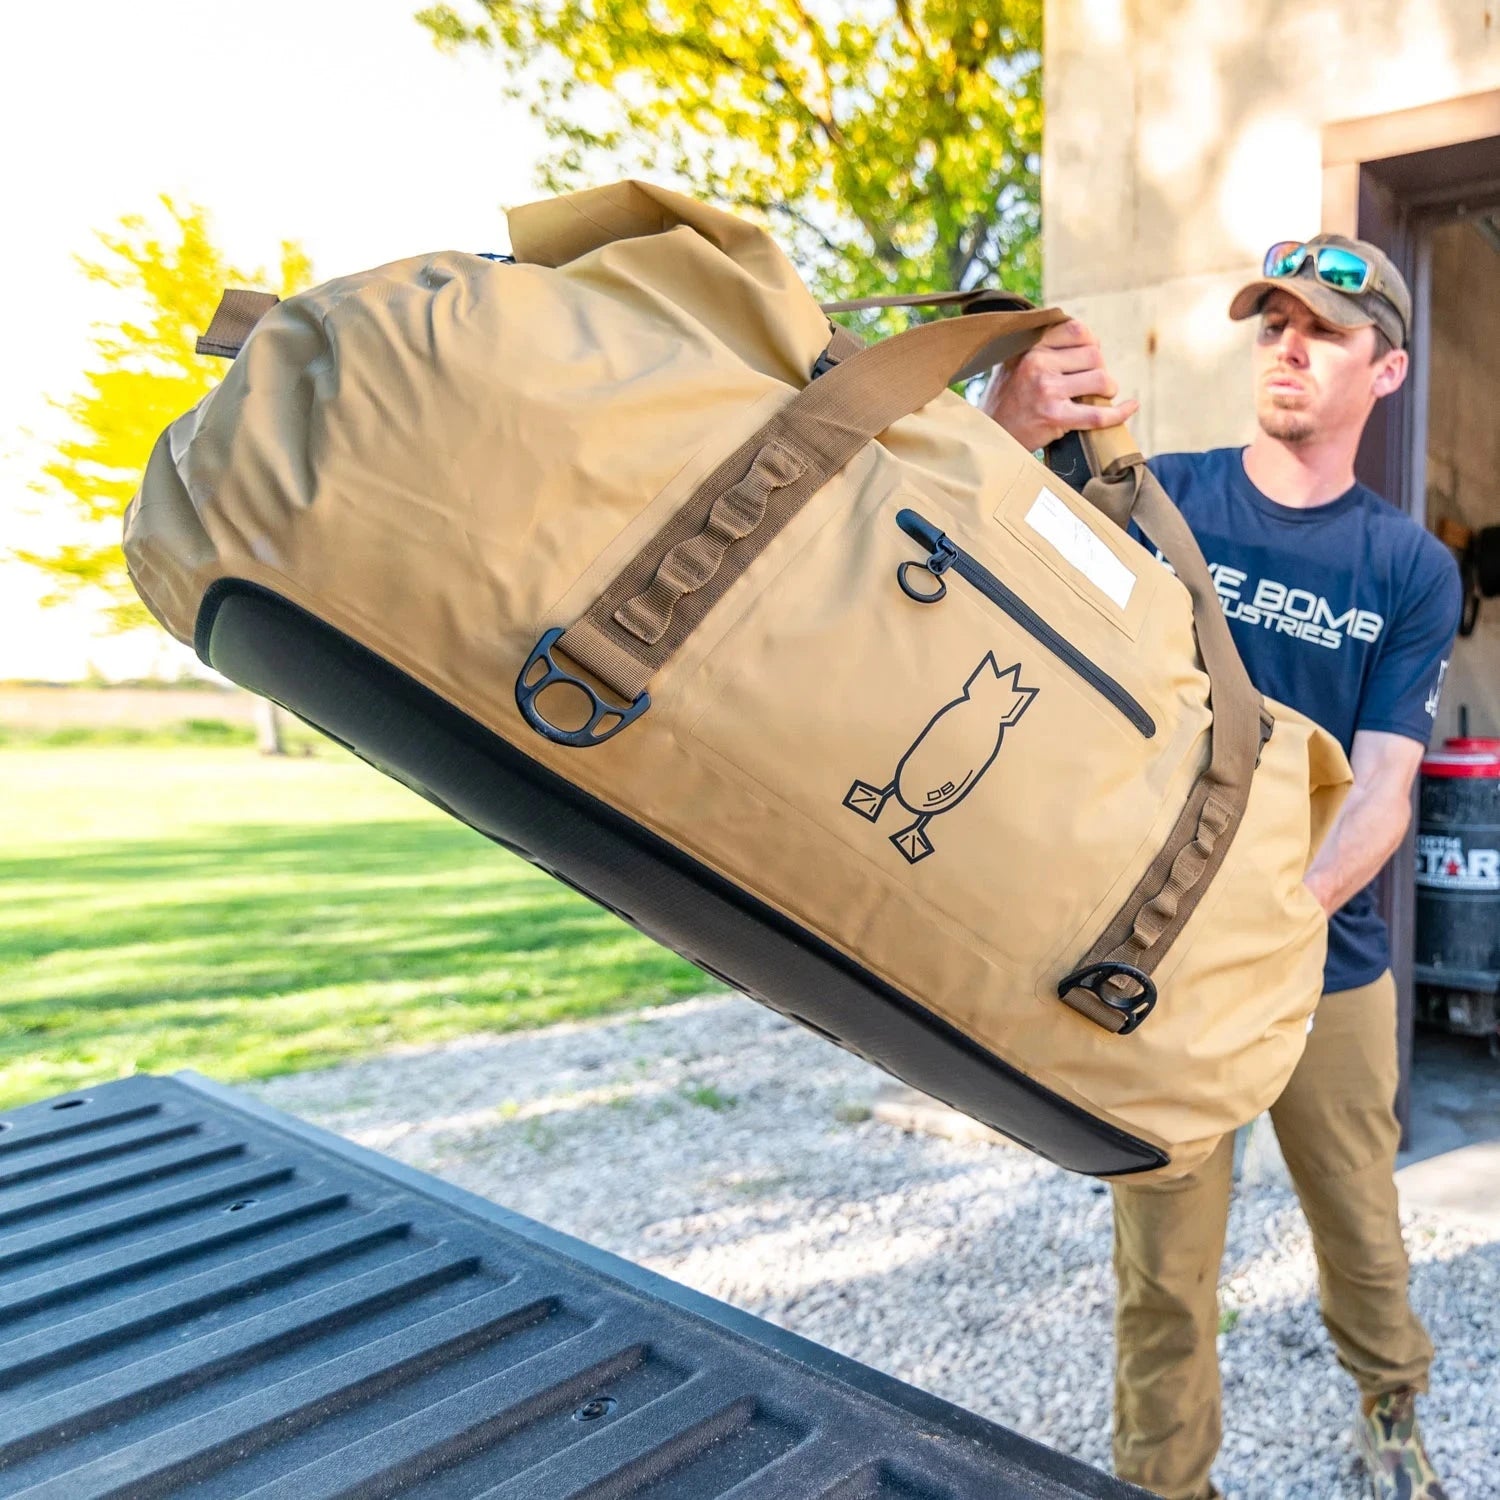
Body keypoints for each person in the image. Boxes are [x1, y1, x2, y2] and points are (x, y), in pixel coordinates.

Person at [982, 235, 1462, 1500]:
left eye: (1324, 334)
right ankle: (1165, 1483)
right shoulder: (1163, 497)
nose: (1288, 349)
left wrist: (1277, 918)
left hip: (1328, 966)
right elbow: (992, 542)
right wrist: (1013, 421)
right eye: (1270, 326)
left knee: (1360, 1230)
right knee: (1164, 1264)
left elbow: (1381, 792)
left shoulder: (1409, 569)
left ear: (1388, 369)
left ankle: (1391, 1404)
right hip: (1157, 968)